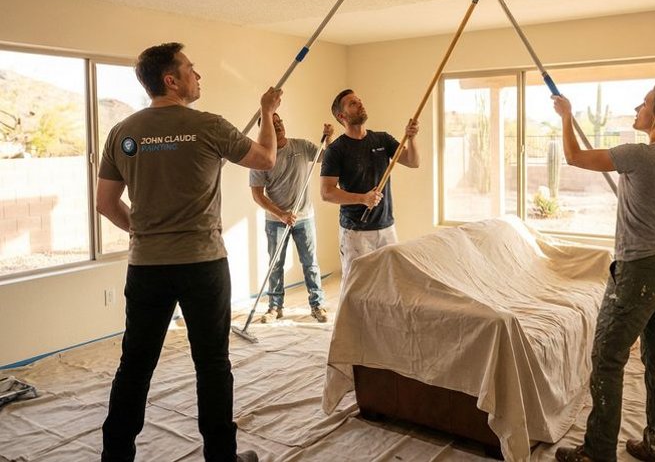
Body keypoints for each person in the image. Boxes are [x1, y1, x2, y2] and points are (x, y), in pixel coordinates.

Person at [96, 42, 282, 462]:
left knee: (135, 365)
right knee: (212, 364)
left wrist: (143, 233)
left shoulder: (122, 132)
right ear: (171, 80)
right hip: (203, 265)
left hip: (147, 268)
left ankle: (115, 457)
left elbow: (105, 204)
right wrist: (267, 112)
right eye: (190, 69)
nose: (198, 76)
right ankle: (221, 457)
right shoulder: (208, 125)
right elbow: (266, 159)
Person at [553, 82, 655, 462]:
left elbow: (574, 157)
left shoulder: (640, 155)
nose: (636, 108)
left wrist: (566, 116)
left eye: (644, 104)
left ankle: (597, 453)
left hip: (640, 273)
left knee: (606, 358)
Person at [320, 89, 419, 281]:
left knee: (391, 282)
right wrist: (363, 198)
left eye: (359, 100)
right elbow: (326, 192)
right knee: (357, 286)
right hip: (355, 232)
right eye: (352, 103)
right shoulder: (336, 150)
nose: (360, 104)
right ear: (342, 116)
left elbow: (412, 161)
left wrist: (412, 138)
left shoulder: (382, 139)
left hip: (386, 227)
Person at [249, 113, 333, 323]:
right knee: (276, 264)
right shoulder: (260, 159)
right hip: (276, 221)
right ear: (264, 131)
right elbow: (257, 195)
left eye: (279, 122)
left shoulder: (301, 146)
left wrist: (329, 138)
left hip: (304, 217)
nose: (278, 126)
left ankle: (317, 304)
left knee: (310, 263)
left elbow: (329, 158)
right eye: (272, 124)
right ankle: (274, 307)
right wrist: (282, 214)